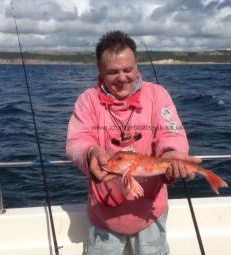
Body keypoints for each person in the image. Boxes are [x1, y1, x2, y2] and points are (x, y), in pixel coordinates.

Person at [66, 30, 201, 255]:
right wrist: (90, 153)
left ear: (137, 66)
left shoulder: (158, 95)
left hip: (150, 211)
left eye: (128, 69)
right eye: (112, 72)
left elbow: (172, 132)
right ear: (100, 71)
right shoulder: (87, 101)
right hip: (104, 215)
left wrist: (173, 153)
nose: (122, 77)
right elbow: (77, 140)